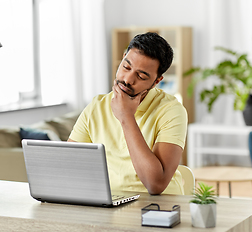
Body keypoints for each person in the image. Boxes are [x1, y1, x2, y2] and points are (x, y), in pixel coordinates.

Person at [68, 32, 188, 195]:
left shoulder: (171, 110)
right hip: (108, 201)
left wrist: (126, 117)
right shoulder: (96, 106)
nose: (128, 79)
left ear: (156, 81)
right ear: (123, 57)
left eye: (141, 76)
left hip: (158, 205)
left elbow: (156, 184)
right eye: (126, 67)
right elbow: (69, 164)